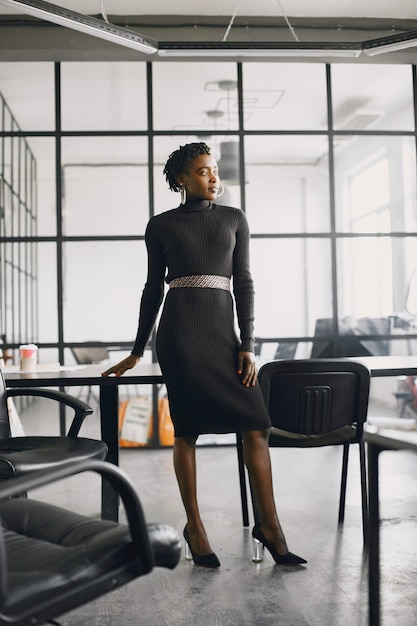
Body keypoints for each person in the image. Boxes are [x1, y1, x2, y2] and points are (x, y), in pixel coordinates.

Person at [102, 142, 306, 568]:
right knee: (187, 430)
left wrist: (248, 345)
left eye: (215, 170)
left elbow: (244, 283)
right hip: (179, 338)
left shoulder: (234, 219)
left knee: (256, 424)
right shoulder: (160, 226)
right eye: (202, 171)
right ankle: (195, 527)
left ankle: (270, 528)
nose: (214, 178)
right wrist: (138, 350)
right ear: (181, 179)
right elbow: (152, 290)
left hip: (223, 336)